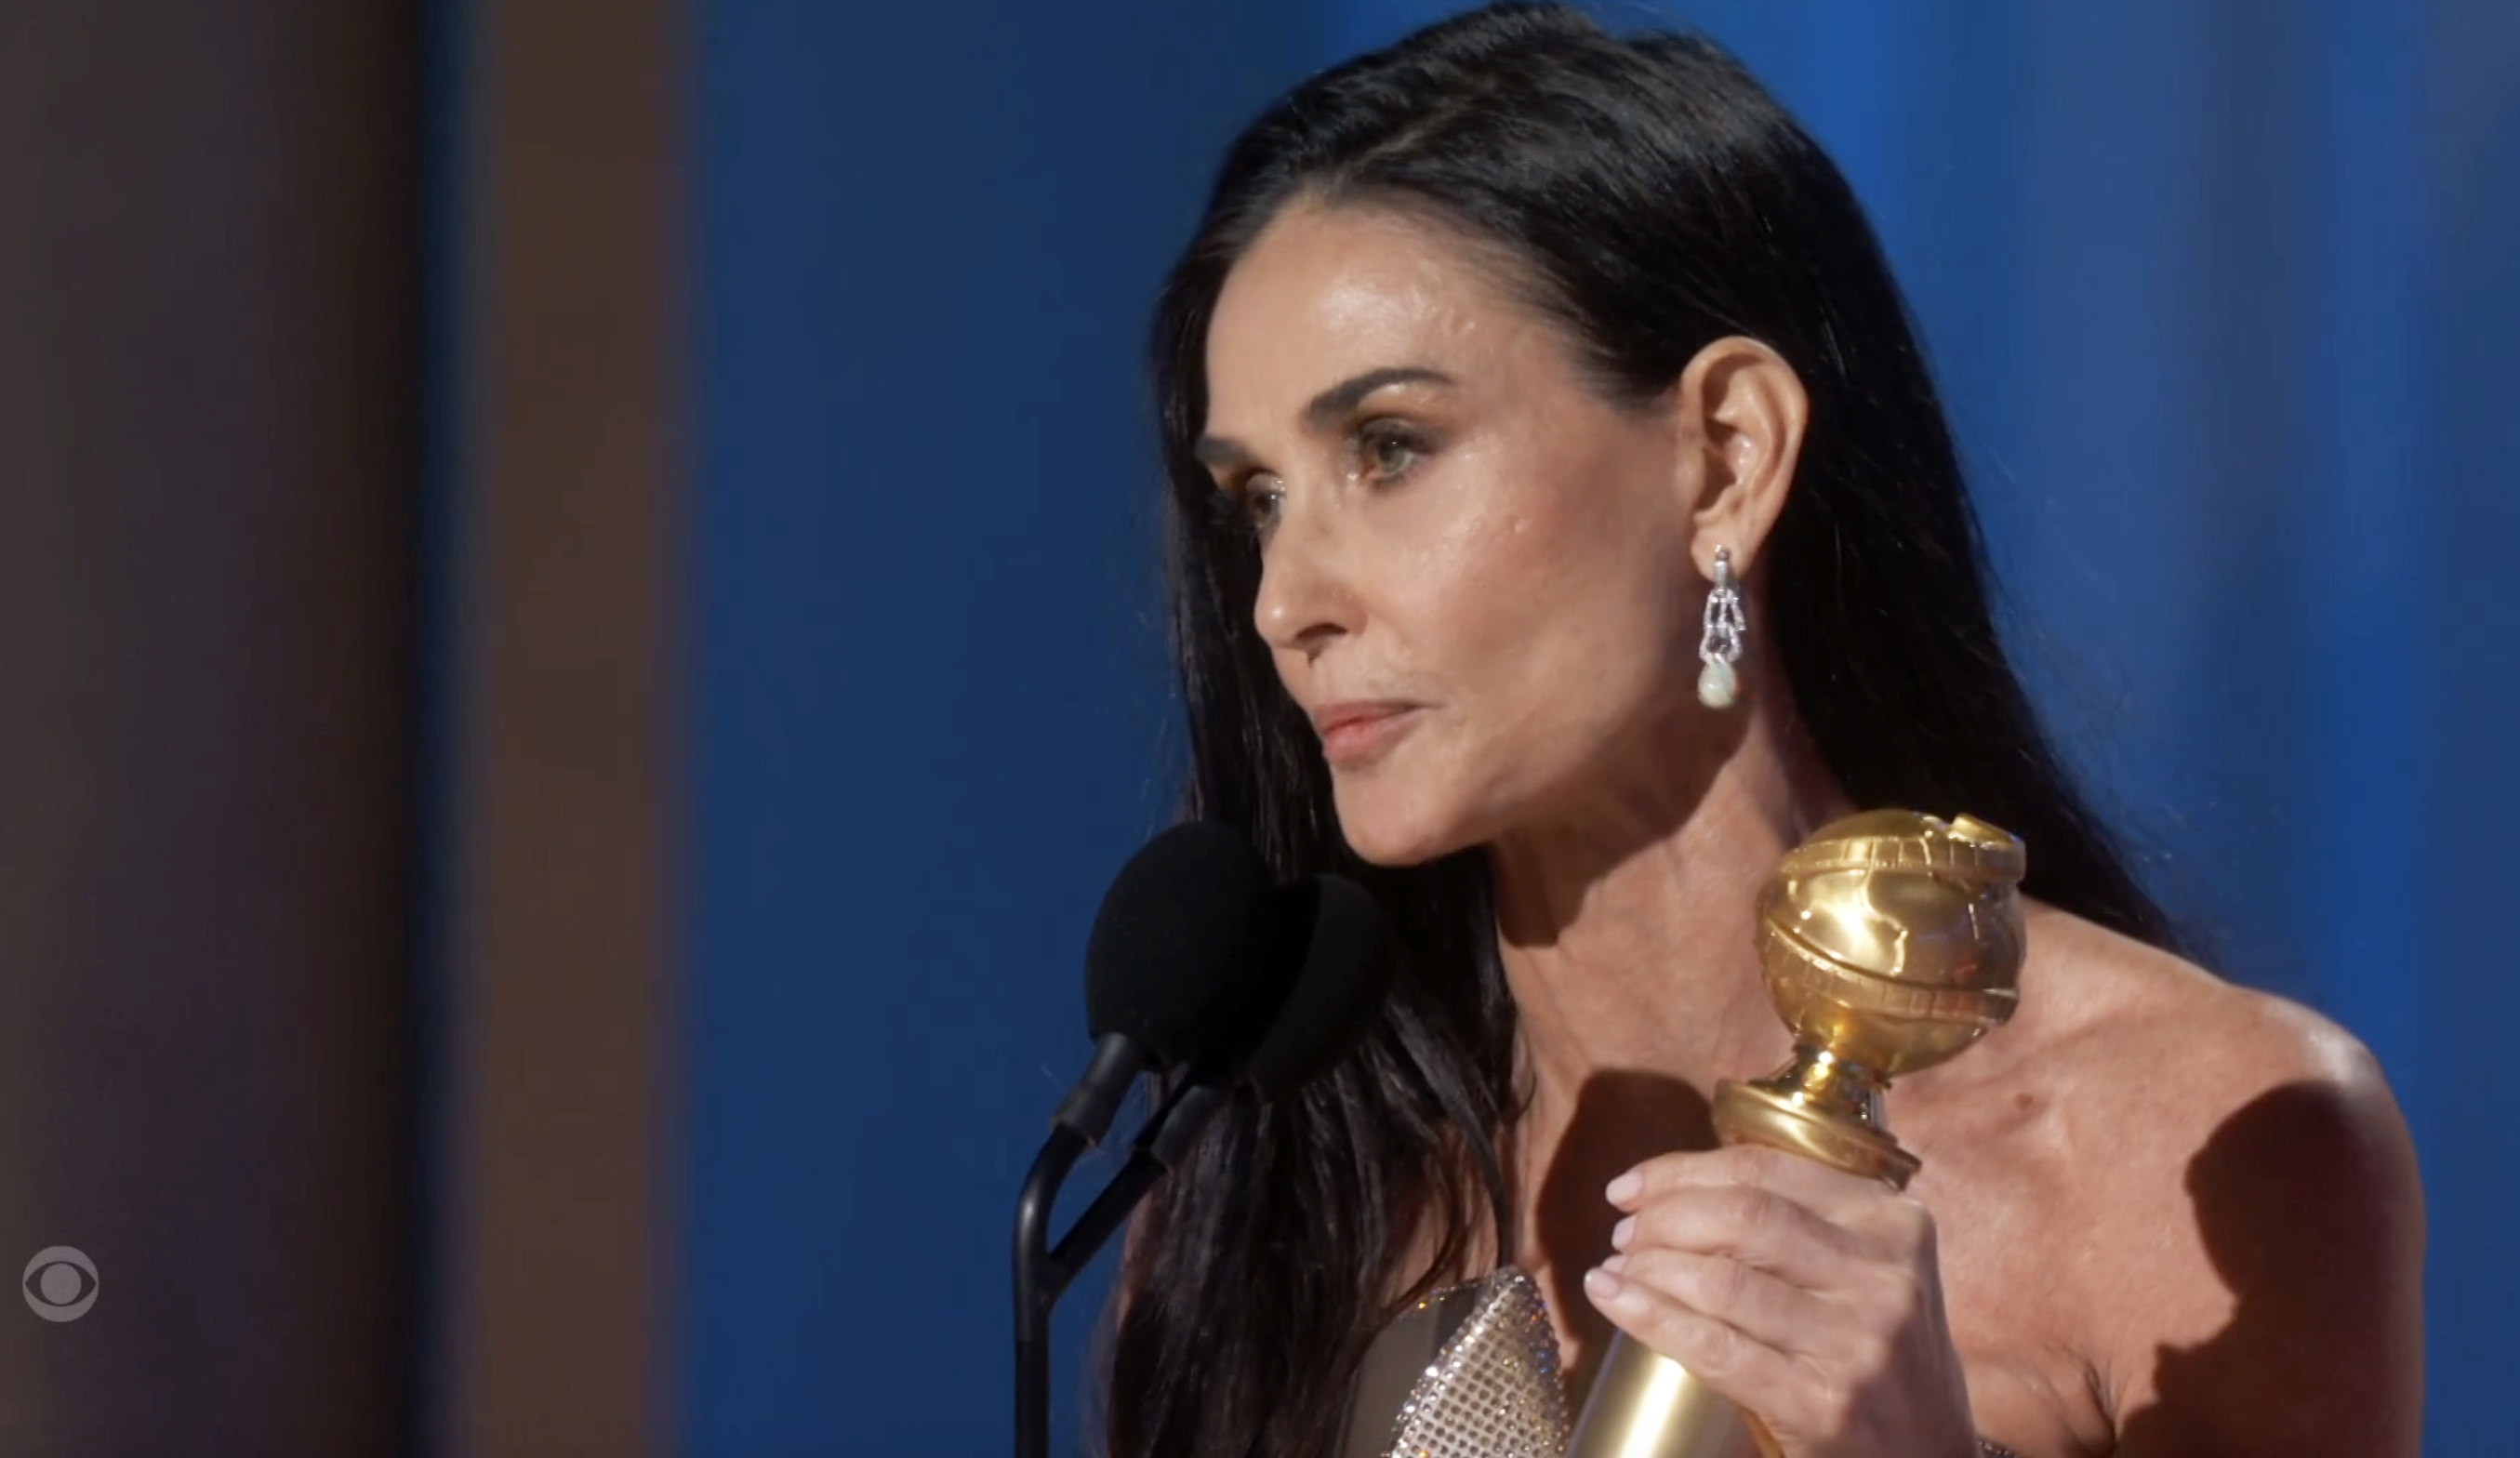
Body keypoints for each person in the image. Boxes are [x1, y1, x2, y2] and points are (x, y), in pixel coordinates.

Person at [1101, 6, 2424, 1456]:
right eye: (1257, 501)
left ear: (1725, 458)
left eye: (1390, 448)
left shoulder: (2205, 1146)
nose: (1286, 601)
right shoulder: (1271, 1175)